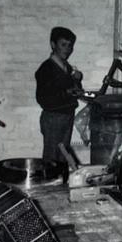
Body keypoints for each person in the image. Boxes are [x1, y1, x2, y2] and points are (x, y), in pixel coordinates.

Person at [35, 26, 83, 171]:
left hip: (67, 115)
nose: (67, 49)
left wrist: (77, 80)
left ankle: (60, 188)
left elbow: (74, 91)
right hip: (53, 118)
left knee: (63, 157)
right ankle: (48, 189)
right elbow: (42, 99)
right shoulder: (46, 69)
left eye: (70, 46)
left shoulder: (67, 68)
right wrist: (67, 92)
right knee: (51, 159)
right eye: (63, 45)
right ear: (53, 44)